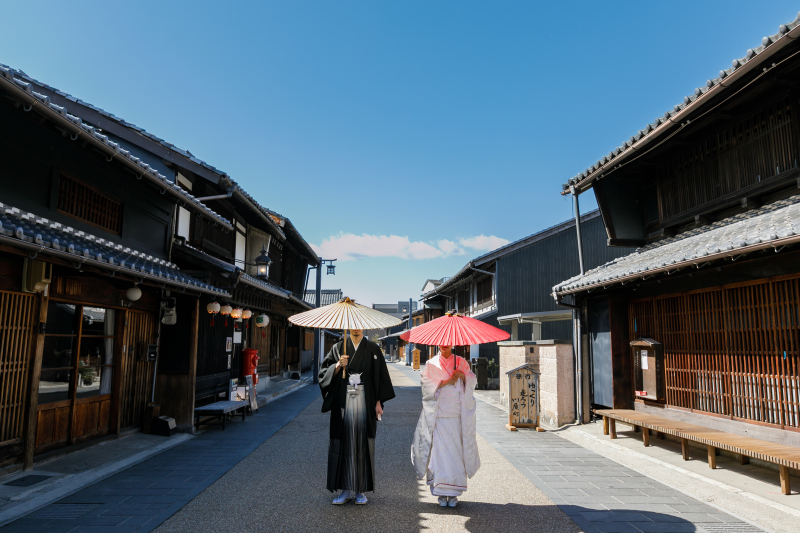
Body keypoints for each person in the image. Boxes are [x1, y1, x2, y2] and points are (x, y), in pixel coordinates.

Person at [319, 328, 395, 505]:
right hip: (343, 403)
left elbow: (381, 377)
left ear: (363, 327)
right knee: (344, 444)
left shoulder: (373, 349)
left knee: (362, 444)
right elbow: (323, 374)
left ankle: (360, 490)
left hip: (365, 402)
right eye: (352, 325)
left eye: (358, 325)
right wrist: (338, 365)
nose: (355, 328)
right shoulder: (338, 348)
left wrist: (378, 402)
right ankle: (345, 490)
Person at [411, 345, 480, 508]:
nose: (445, 344)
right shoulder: (431, 363)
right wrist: (445, 382)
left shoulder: (461, 362)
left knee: (456, 453)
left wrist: (463, 376)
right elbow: (426, 385)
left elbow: (472, 380)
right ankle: (441, 492)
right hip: (439, 415)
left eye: (448, 342)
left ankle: (454, 493)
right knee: (439, 454)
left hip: (456, 415)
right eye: (441, 342)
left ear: (452, 343)